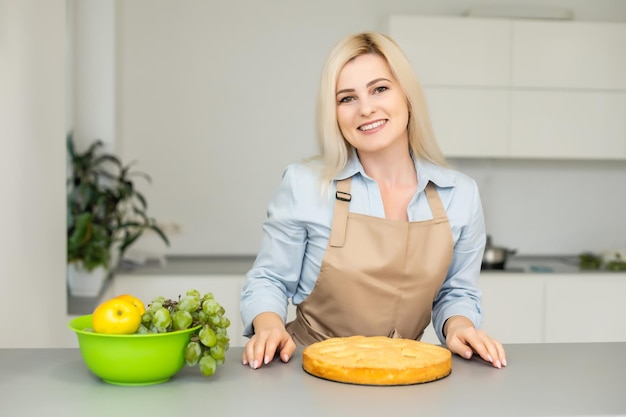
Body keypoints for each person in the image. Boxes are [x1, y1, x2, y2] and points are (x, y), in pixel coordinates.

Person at [240, 31, 506, 370]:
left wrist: (460, 327)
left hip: (405, 376)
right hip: (307, 373)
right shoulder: (305, 184)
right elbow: (269, 280)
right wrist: (269, 327)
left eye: (379, 89)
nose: (366, 109)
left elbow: (456, 292)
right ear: (333, 113)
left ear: (406, 96)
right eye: (346, 98)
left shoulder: (460, 195)